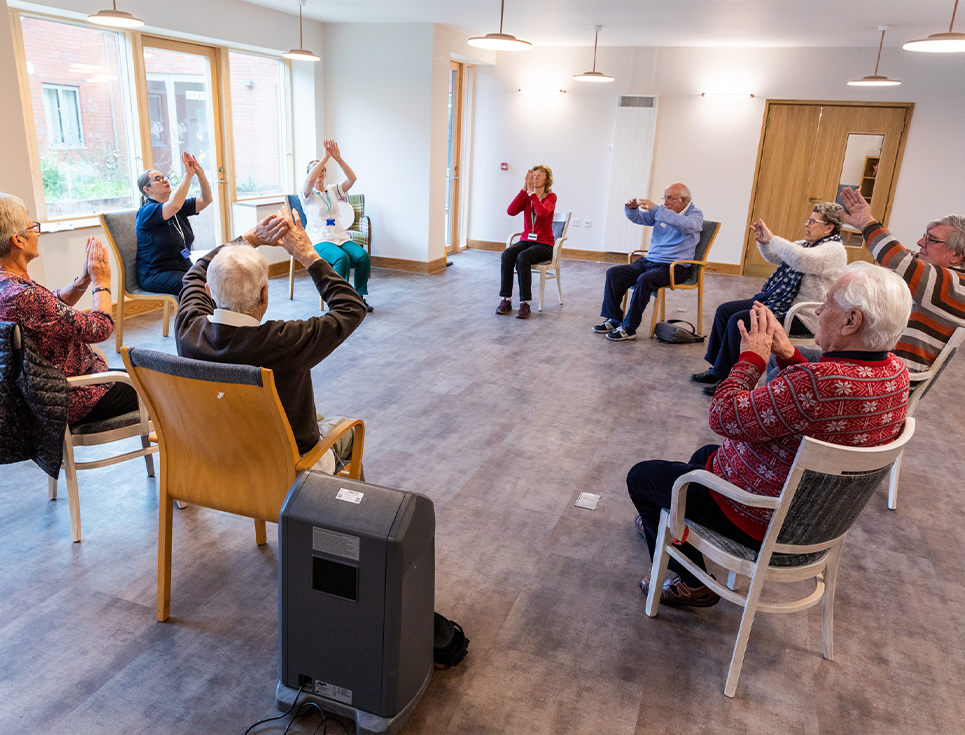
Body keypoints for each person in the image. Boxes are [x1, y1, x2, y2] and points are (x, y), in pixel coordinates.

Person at [627, 262, 912, 607]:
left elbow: (723, 416)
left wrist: (751, 360)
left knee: (642, 477)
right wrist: (788, 353)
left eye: (829, 304)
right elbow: (827, 401)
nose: (819, 310)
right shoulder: (896, 374)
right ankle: (672, 528)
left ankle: (690, 582)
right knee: (704, 456)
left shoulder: (816, 384)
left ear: (852, 321)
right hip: (815, 518)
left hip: (761, 516)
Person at [175, 209, 366, 474]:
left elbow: (194, 273)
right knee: (349, 432)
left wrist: (249, 237)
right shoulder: (284, 342)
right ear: (265, 295)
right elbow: (351, 307)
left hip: (220, 460)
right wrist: (308, 255)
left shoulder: (189, 329)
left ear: (209, 291)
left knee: (320, 419)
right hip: (286, 467)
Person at [0, 192, 138, 424]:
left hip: (55, 393)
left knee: (148, 375)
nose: (38, 231)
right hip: (76, 396)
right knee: (165, 388)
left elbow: (48, 307)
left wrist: (81, 282)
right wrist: (101, 283)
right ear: (18, 240)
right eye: (33, 226)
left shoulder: (9, 287)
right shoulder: (24, 296)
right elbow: (99, 328)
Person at [691, 202, 847, 395]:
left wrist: (773, 238)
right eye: (808, 220)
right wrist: (764, 242)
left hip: (802, 314)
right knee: (724, 311)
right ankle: (718, 370)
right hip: (780, 303)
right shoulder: (807, 245)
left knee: (738, 320)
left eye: (813, 221)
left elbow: (800, 259)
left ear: (829, 227)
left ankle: (730, 378)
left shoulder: (834, 250)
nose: (807, 224)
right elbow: (776, 257)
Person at [839, 187, 965, 372]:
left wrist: (867, 222)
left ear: (956, 256)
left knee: (791, 365)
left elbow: (898, 260)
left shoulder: (953, 286)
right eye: (925, 236)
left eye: (931, 239)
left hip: (889, 377)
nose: (920, 242)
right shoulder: (940, 276)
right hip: (878, 365)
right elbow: (906, 258)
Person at [593, 183, 703, 341]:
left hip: (674, 267)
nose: (665, 203)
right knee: (614, 273)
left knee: (644, 279)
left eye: (670, 198)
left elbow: (684, 225)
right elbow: (639, 218)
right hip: (650, 261)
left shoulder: (695, 215)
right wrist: (632, 210)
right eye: (664, 198)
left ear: (684, 200)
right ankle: (614, 318)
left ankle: (629, 327)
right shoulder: (664, 212)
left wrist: (658, 209)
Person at [300, 140, 373, 312]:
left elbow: (352, 179)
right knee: (342, 258)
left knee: (363, 256)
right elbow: (310, 179)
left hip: (340, 237)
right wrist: (325, 158)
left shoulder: (332, 190)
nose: (320, 172)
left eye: (323, 169)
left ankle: (359, 297)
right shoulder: (306, 193)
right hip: (320, 239)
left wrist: (338, 158)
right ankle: (339, 301)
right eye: (316, 168)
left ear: (325, 173)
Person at [135, 151, 213, 297]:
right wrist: (187, 176)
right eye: (158, 179)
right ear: (147, 189)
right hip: (156, 273)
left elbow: (206, 200)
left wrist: (200, 174)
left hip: (182, 266)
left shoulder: (177, 206)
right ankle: (199, 320)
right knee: (200, 287)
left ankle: (220, 318)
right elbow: (174, 206)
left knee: (217, 280)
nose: (164, 180)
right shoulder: (146, 212)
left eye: (164, 177)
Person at [497, 165, 557, 319]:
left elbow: (542, 212)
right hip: (526, 240)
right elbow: (510, 211)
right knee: (507, 254)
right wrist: (524, 189)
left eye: (539, 175)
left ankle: (525, 303)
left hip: (544, 245)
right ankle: (506, 299)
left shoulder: (551, 197)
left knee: (522, 257)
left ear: (547, 179)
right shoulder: (527, 196)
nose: (535, 178)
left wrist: (531, 193)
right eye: (533, 175)